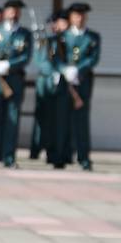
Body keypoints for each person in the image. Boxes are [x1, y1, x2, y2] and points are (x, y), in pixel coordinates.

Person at [0, 0, 34, 168]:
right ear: (4, 12)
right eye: (11, 10)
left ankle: (9, 157)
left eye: (17, 10)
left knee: (12, 119)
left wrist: (10, 65)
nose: (14, 13)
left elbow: (26, 56)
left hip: (15, 80)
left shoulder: (25, 34)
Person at [60, 2, 101, 171]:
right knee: (63, 119)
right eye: (76, 15)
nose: (80, 18)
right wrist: (65, 69)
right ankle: (63, 155)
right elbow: (56, 56)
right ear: (70, 17)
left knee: (81, 121)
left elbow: (93, 58)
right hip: (65, 82)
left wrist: (78, 70)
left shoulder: (92, 37)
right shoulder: (63, 36)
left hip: (83, 81)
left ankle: (83, 157)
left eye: (83, 15)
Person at [40, 9, 78, 170]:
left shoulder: (70, 40)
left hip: (65, 86)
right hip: (49, 86)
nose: (58, 26)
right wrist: (55, 71)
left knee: (64, 123)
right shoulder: (48, 41)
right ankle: (51, 152)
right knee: (49, 122)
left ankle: (63, 154)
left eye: (62, 22)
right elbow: (42, 61)